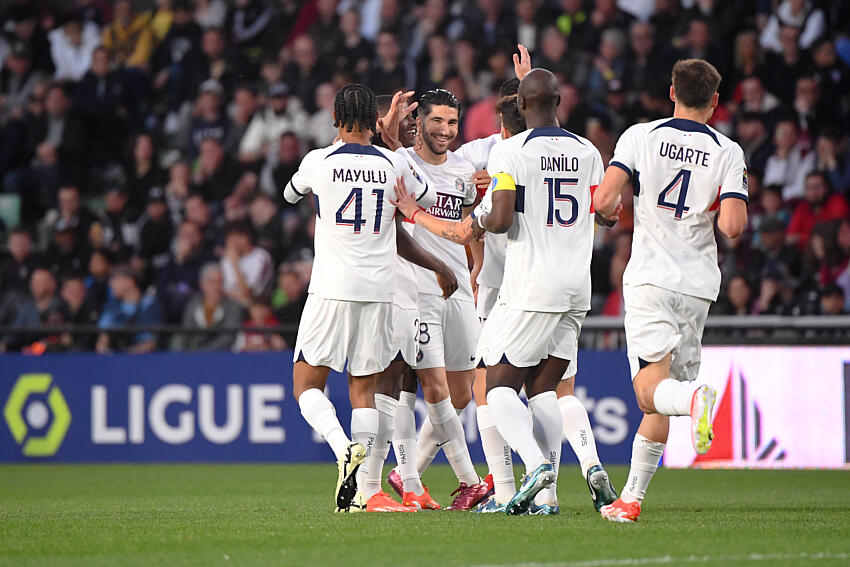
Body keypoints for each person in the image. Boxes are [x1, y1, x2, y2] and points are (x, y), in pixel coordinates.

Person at [593, 59, 749, 523]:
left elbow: (604, 201)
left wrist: (608, 210)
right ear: (715, 102)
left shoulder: (641, 136)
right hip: (698, 286)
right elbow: (734, 226)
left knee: (649, 393)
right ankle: (631, 499)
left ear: (672, 91)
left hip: (651, 278)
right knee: (661, 390)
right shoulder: (728, 150)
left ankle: (695, 400)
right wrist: (721, 204)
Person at [284, 84, 433, 513]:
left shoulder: (319, 161)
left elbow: (289, 194)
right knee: (363, 389)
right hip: (380, 290)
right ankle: (368, 493)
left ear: (335, 118)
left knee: (306, 384)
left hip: (331, 287)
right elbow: (421, 195)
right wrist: (388, 144)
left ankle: (340, 448)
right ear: (374, 120)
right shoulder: (392, 162)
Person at [392, 88, 490, 511]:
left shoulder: (465, 170)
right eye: (437, 121)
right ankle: (466, 482)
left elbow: (470, 225)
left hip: (459, 288)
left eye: (452, 123)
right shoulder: (401, 163)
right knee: (430, 388)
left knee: (461, 392)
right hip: (418, 287)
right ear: (419, 122)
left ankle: (406, 470)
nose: (445, 131)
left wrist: (478, 267)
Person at [96, 266, 164, 354]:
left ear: (130, 281)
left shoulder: (150, 305)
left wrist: (124, 355)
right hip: (113, 360)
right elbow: (102, 340)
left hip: (142, 360)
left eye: (116, 279)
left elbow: (151, 343)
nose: (111, 284)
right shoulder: (111, 307)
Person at [177, 262, 244, 351]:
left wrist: (204, 352)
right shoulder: (192, 306)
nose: (216, 287)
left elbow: (228, 337)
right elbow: (185, 336)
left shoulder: (233, 306)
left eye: (220, 282)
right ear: (202, 284)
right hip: (193, 358)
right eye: (211, 282)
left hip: (222, 357)